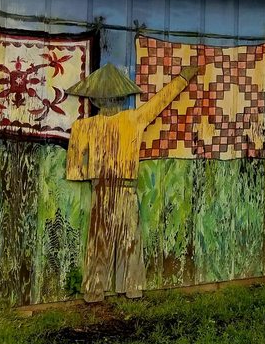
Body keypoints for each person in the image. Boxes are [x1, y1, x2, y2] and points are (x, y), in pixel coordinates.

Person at [65, 63, 198, 302]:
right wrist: (182, 78)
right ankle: (131, 287)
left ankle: (95, 290)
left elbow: (75, 169)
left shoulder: (84, 126)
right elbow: (160, 102)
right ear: (123, 97)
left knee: (101, 240)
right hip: (124, 189)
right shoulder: (133, 119)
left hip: (102, 188)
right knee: (128, 240)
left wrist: (90, 170)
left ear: (93, 100)